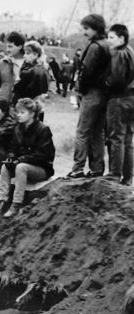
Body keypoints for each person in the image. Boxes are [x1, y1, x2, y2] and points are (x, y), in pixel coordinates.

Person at [0, 98, 55, 218]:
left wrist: (21, 160)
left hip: (41, 168)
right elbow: (13, 147)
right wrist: (10, 157)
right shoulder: (18, 128)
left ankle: (16, 204)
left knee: (21, 167)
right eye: (17, 112)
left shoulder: (43, 129)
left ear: (32, 114)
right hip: (22, 163)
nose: (18, 115)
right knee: (5, 167)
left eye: (22, 113)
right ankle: (3, 201)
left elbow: (43, 155)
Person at [67, 14, 111, 178]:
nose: (83, 31)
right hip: (104, 94)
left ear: (96, 28)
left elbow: (86, 72)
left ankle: (77, 168)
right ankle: (97, 168)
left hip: (91, 93)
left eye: (86, 28)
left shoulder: (94, 47)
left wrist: (80, 90)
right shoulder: (108, 45)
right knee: (98, 132)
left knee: (82, 131)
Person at [105, 24, 134, 185]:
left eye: (111, 37)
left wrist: (106, 85)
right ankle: (128, 178)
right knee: (128, 140)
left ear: (121, 38)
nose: (109, 41)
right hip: (132, 98)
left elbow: (116, 79)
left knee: (116, 137)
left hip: (119, 98)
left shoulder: (118, 54)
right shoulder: (131, 52)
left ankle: (115, 174)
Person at [13, 41, 49, 114]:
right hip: (36, 108)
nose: (24, 56)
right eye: (24, 53)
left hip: (27, 109)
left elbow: (19, 90)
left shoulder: (31, 71)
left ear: (35, 55)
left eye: (27, 53)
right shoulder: (42, 69)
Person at [0, 32, 25, 103]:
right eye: (7, 46)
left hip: (24, 108)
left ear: (20, 46)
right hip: (5, 105)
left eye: (10, 46)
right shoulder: (2, 63)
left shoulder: (29, 64)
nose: (7, 50)